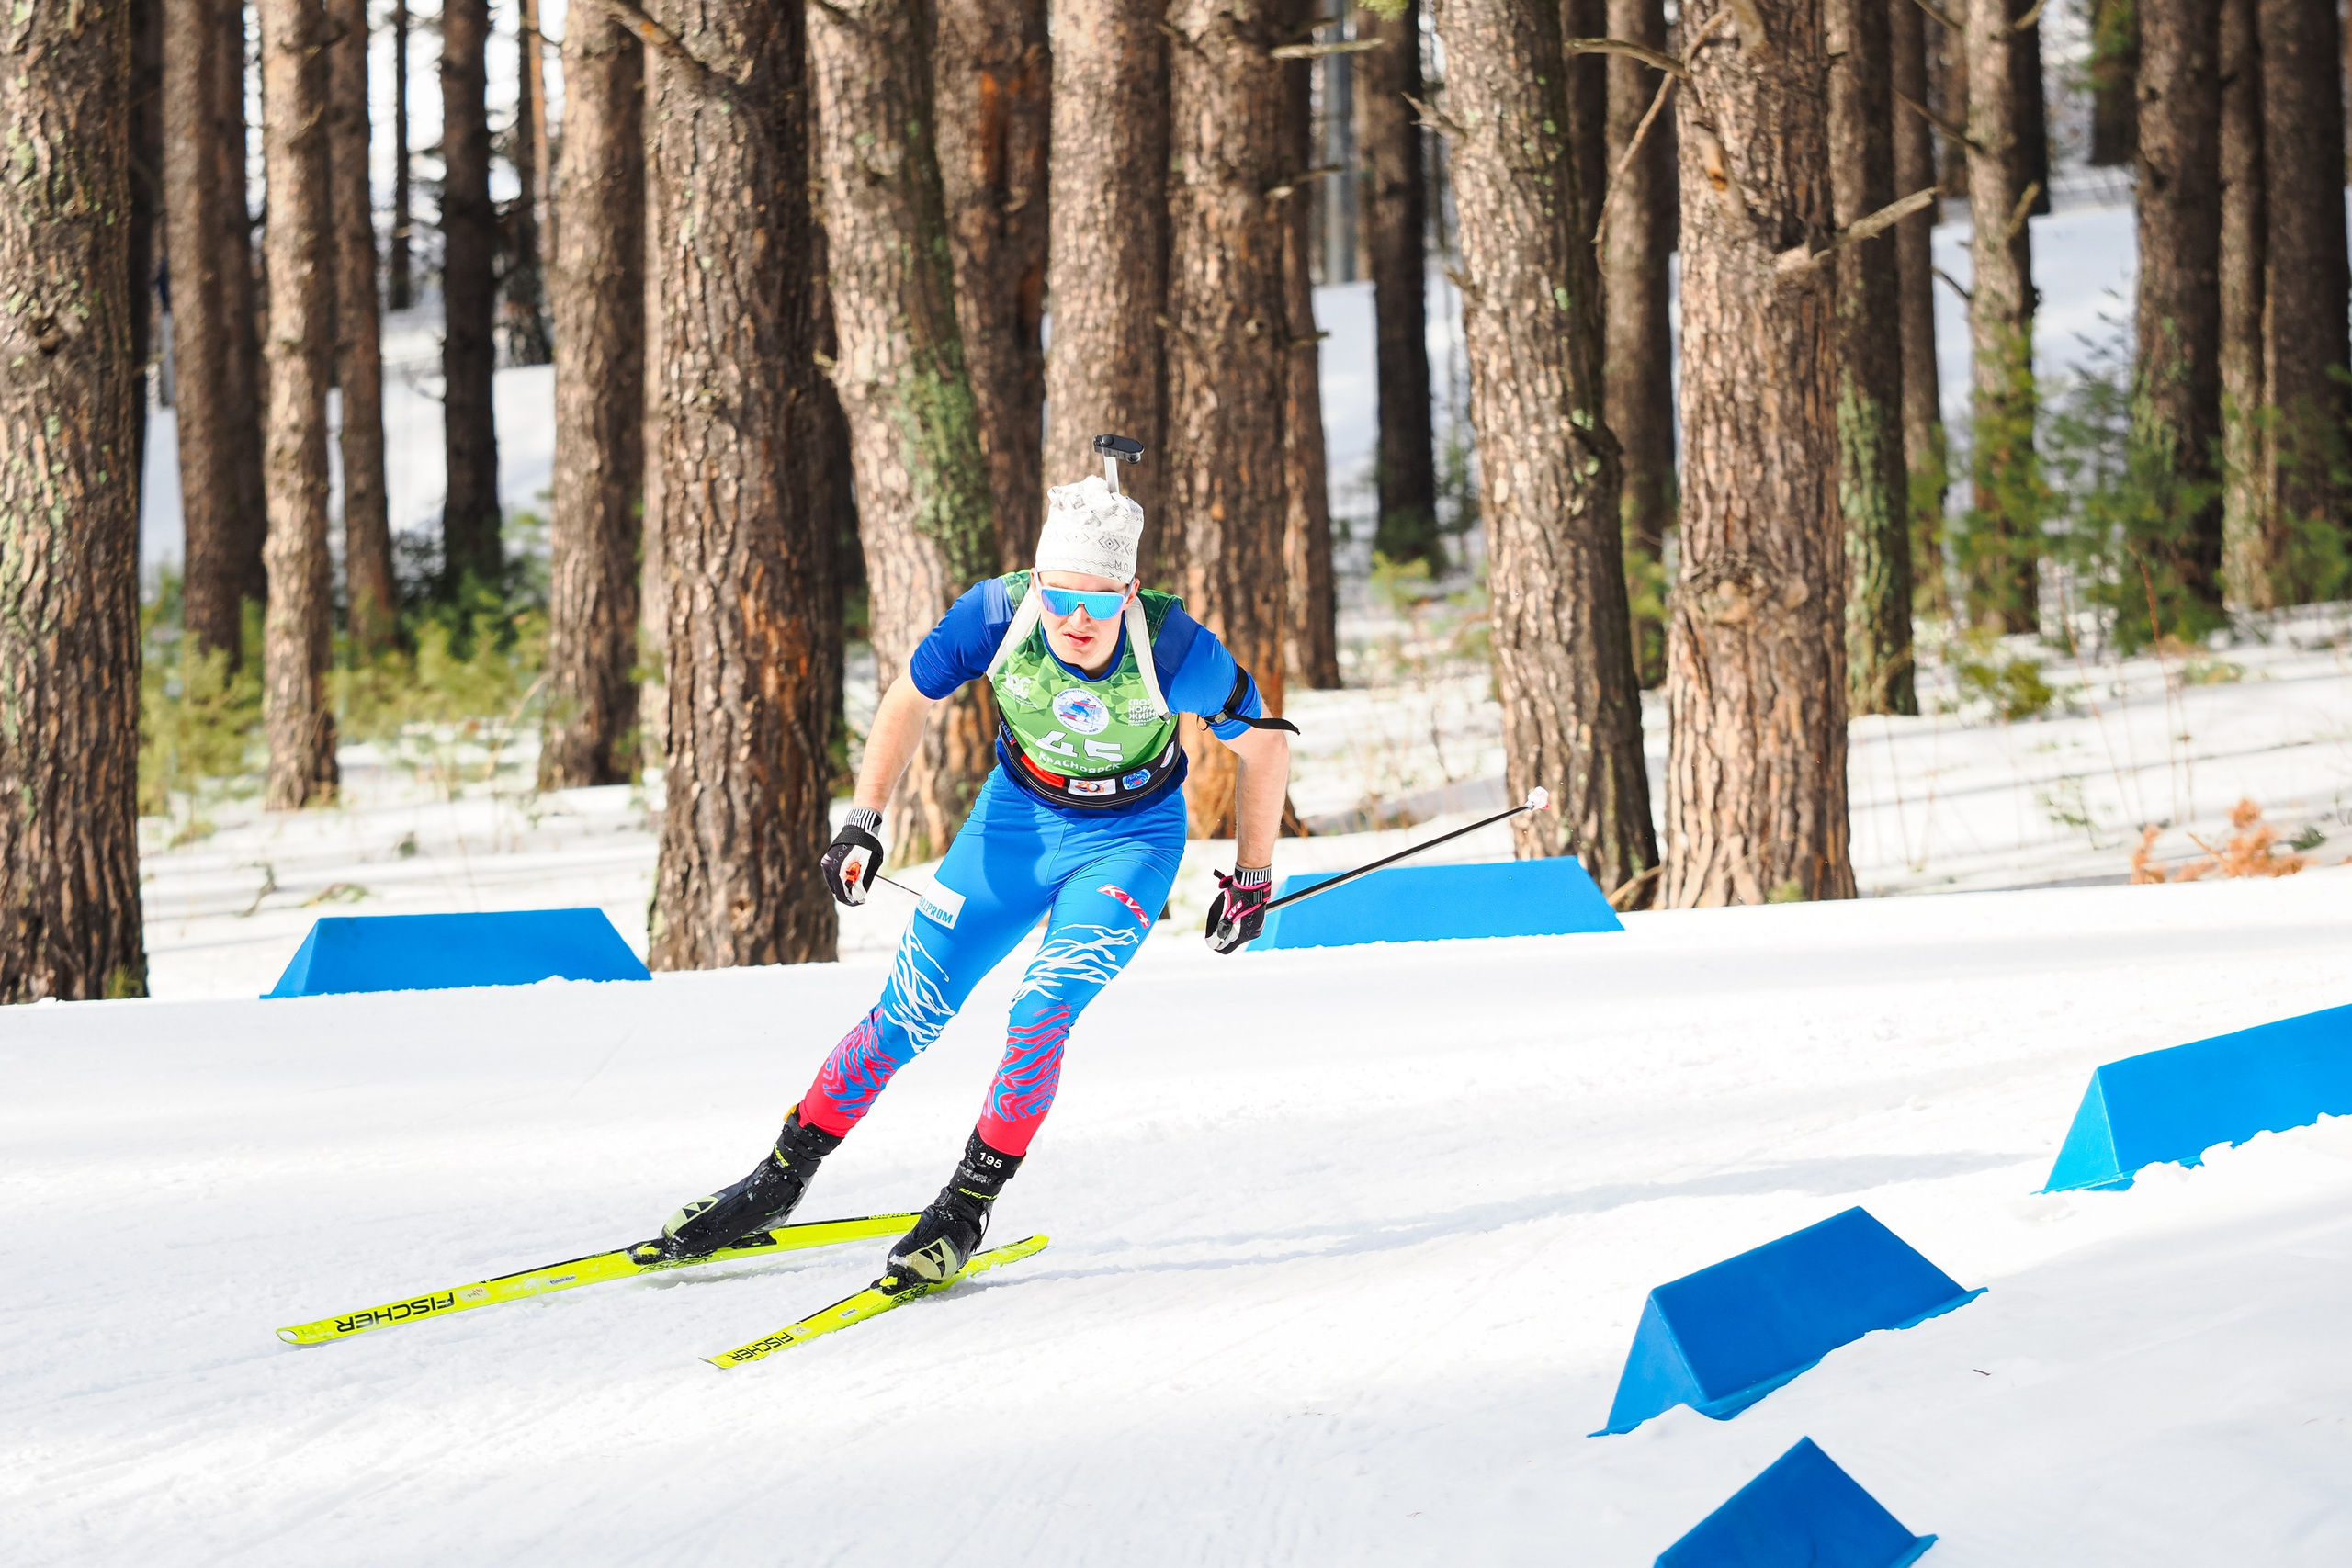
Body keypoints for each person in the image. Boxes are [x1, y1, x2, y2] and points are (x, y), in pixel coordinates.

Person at [643, 447, 1295, 1289]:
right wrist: (864, 820)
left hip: (1131, 837)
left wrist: (1253, 874)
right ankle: (775, 1181)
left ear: (1127, 593)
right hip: (1016, 820)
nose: (1075, 621)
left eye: (1097, 602)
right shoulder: (995, 613)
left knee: (1041, 1009)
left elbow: (1265, 749)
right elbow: (910, 700)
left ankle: (965, 1204)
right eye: (1059, 597)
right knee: (908, 1010)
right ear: (1037, 579)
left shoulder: (1175, 646)